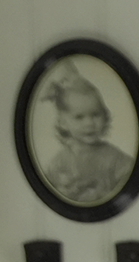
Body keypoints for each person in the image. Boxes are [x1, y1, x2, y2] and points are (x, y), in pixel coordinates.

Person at [39, 62, 133, 204]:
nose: (89, 123)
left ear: (105, 116)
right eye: (79, 117)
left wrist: (102, 194)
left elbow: (129, 189)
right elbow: (47, 192)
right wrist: (62, 191)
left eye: (95, 115)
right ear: (63, 122)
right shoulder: (59, 162)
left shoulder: (115, 159)